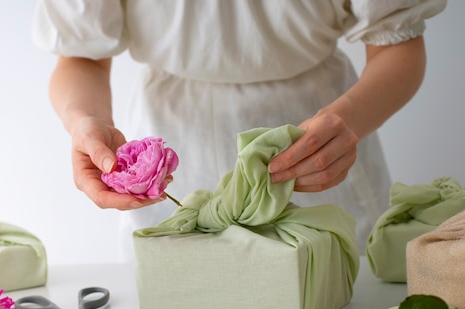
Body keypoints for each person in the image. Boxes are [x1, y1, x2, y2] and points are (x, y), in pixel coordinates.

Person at [32, 0, 446, 256]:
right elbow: (79, 56)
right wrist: (85, 121)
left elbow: (398, 42)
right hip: (173, 138)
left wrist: (349, 121)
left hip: (319, 144)